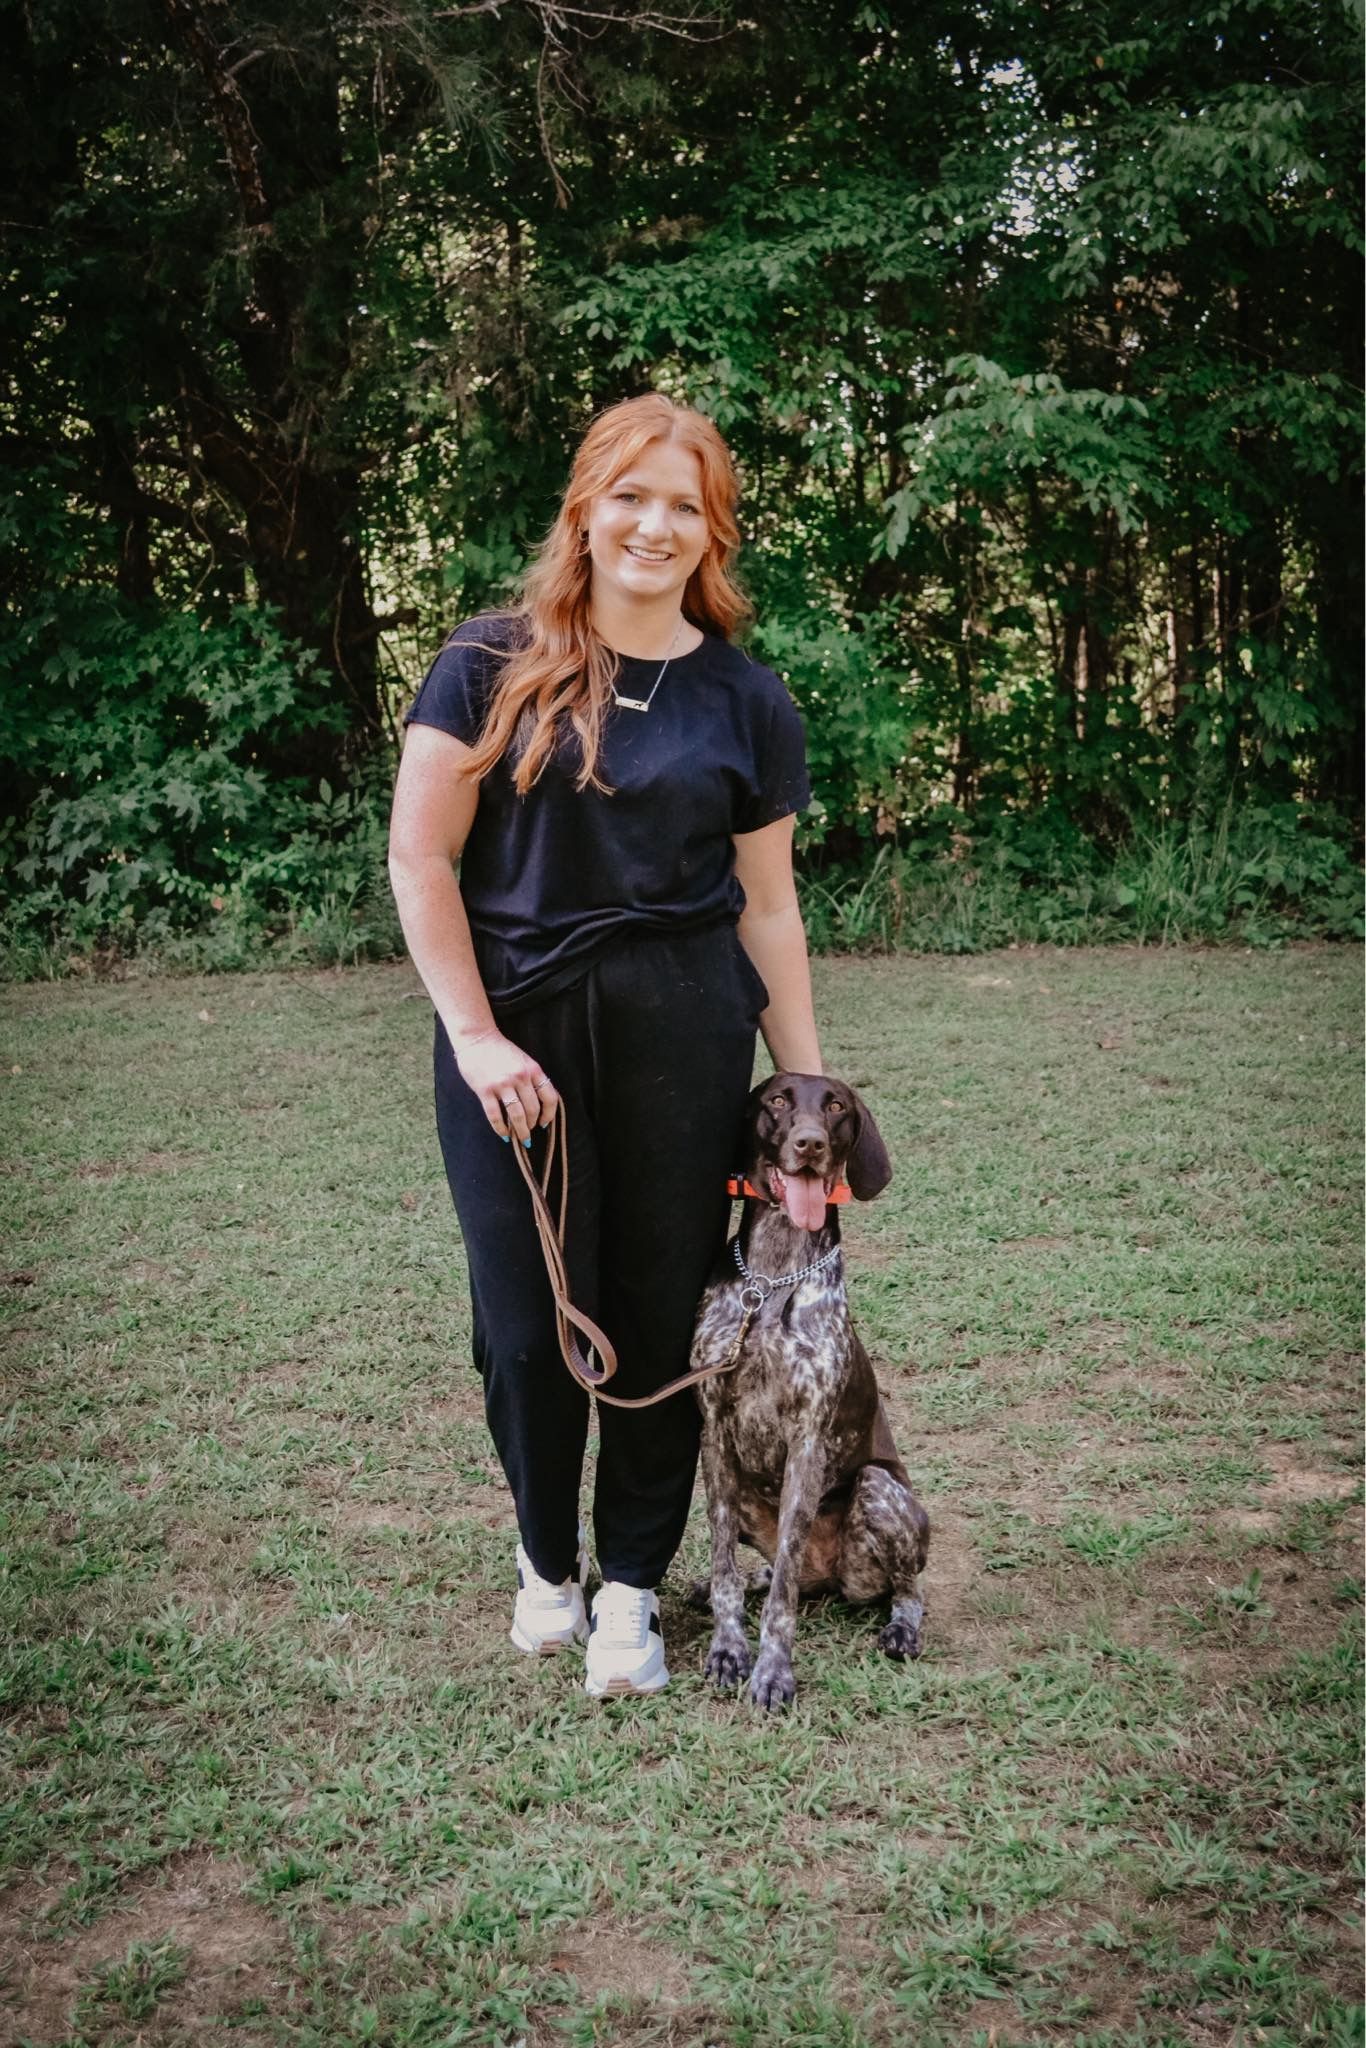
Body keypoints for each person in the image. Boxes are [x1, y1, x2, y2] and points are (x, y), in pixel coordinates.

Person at [387, 392, 823, 1697]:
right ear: (585, 507)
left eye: (683, 505)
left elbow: (768, 908)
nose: (654, 523)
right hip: (512, 1040)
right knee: (526, 1333)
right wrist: (471, 1036)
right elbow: (420, 858)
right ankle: (546, 1565)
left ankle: (630, 1588)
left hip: (684, 1035)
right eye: (630, 494)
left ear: (712, 532)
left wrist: (802, 1098)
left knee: (649, 1327)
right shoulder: (485, 661)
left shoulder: (747, 699)